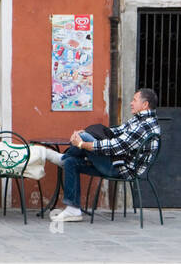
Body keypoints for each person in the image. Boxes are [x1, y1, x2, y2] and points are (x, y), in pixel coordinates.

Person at [52, 88, 161, 222]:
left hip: (120, 169)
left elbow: (115, 147)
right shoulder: (138, 120)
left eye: (134, 100)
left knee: (83, 138)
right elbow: (114, 131)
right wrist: (89, 132)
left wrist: (82, 143)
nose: (131, 103)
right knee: (71, 162)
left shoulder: (144, 126)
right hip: (116, 162)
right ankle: (73, 210)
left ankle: (61, 158)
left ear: (145, 105)